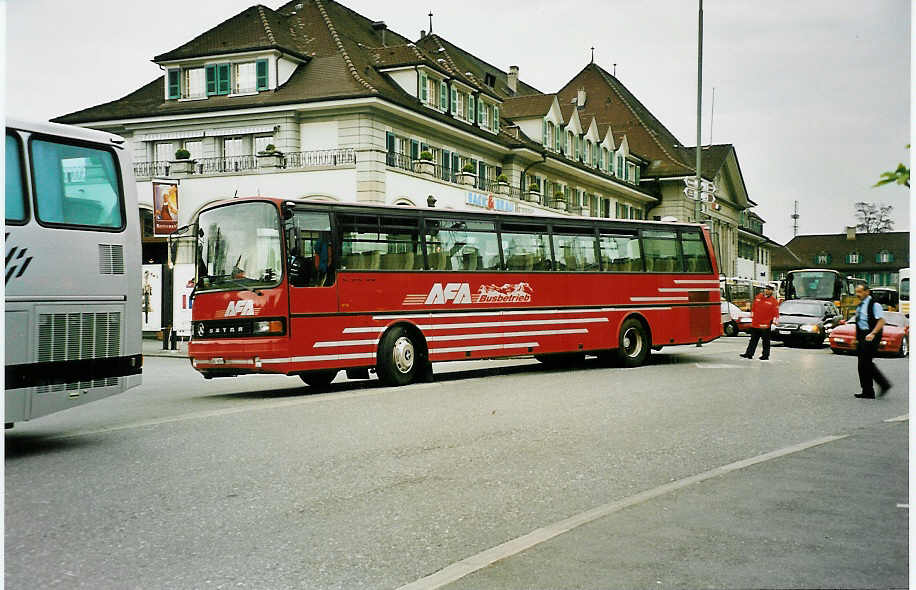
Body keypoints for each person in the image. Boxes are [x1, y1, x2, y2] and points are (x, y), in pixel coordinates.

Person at [853, 284, 891, 399]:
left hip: (871, 335)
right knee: (863, 364)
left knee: (865, 363)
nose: (857, 294)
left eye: (859, 292)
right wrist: (856, 338)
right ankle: (868, 390)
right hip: (862, 336)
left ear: (867, 292)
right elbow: (859, 322)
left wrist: (873, 333)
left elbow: (881, 320)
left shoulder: (875, 305)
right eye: (856, 292)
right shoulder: (860, 305)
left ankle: (878, 387)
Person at [739, 284, 778, 360]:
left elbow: (776, 313)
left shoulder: (773, 301)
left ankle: (765, 355)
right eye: (766, 289)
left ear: (772, 291)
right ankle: (749, 353)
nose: (767, 290)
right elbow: (753, 308)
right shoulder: (758, 297)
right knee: (753, 340)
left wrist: (774, 323)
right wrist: (752, 317)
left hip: (765, 325)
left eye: (769, 289)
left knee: (766, 341)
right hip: (755, 323)